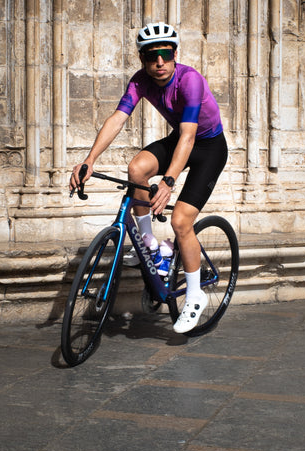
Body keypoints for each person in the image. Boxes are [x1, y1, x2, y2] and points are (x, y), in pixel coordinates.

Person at [69, 22, 228, 333]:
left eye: (165, 55)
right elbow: (117, 118)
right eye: (151, 56)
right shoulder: (141, 81)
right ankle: (149, 245)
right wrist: (89, 160)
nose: (159, 63)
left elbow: (188, 135)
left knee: (181, 221)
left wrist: (168, 182)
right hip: (181, 139)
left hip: (207, 146)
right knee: (136, 169)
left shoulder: (189, 80)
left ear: (175, 55)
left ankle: (195, 296)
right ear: (142, 59)